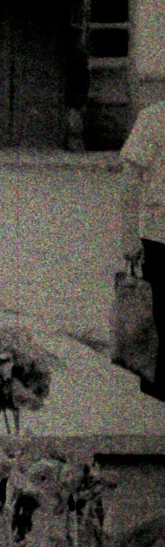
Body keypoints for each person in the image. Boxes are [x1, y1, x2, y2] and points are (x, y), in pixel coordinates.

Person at [119, 100, 165, 398]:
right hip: (160, 235)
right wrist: (129, 235)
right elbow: (131, 179)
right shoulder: (154, 117)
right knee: (160, 321)